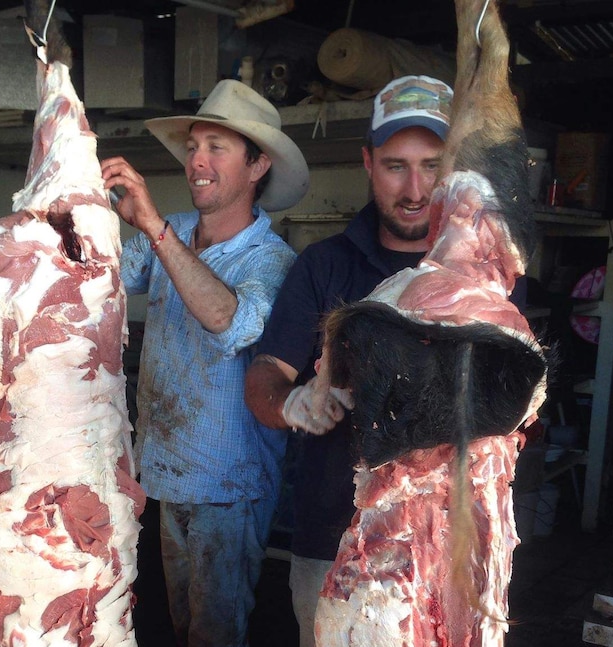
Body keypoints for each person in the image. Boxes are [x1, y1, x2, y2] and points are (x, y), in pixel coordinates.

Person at [243, 74, 455, 647]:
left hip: (444, 545)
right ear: (367, 162)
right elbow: (265, 375)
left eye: (431, 165)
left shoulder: (478, 275)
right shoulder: (324, 266)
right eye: (395, 166)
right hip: (332, 543)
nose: (415, 188)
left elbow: (517, 417)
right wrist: (292, 403)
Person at [100, 79, 309, 647]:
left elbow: (232, 321)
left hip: (230, 482)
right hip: (167, 470)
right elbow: (102, 282)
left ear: (258, 164)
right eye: (194, 146)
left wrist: (154, 228)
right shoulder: (172, 232)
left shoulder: (272, 260)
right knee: (184, 624)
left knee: (216, 632)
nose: (198, 160)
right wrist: (84, 213)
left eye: (218, 147)